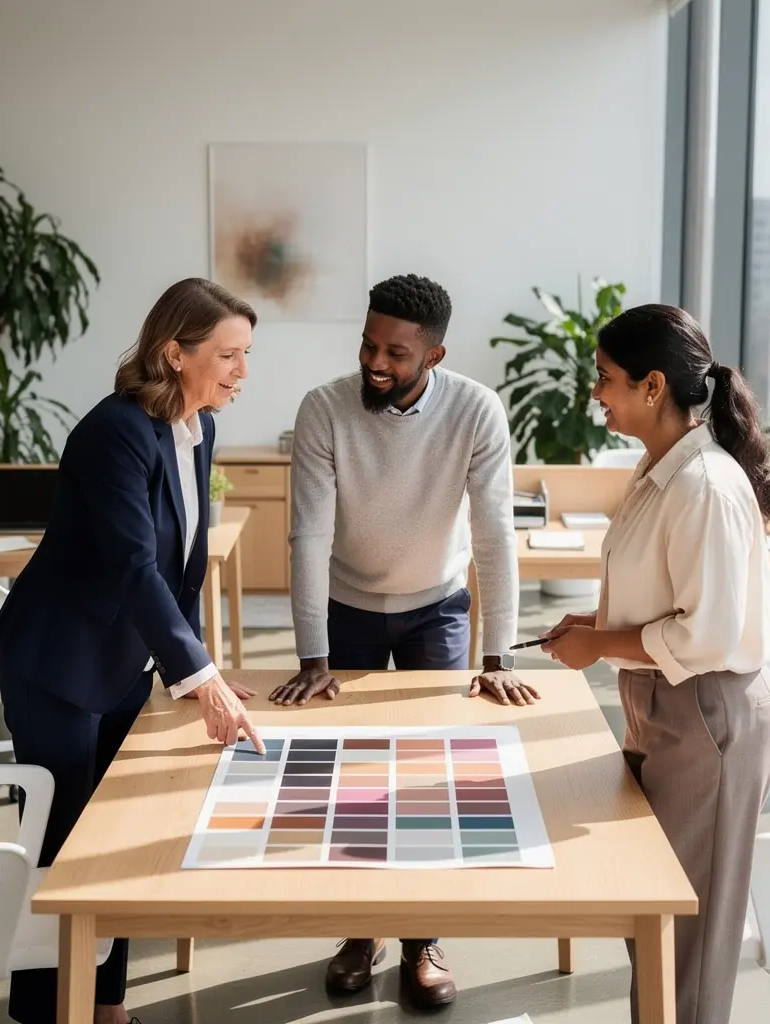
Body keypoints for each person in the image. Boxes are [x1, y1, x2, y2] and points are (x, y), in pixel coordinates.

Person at [0, 278, 265, 1024]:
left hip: (121, 665)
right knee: (63, 844)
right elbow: (131, 566)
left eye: (245, 355)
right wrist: (200, 680)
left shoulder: (198, 426)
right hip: (59, 664)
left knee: (114, 846)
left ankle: (104, 1005)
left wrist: (193, 662)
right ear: (174, 353)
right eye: (228, 355)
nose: (242, 371)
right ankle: (46, 1012)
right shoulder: (113, 431)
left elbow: (182, 563)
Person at [275, 273, 536, 1008]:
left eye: (395, 351)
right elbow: (308, 535)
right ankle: (363, 928)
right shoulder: (326, 408)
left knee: (430, 774)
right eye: (367, 344)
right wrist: (312, 656)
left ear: (436, 354)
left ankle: (423, 937)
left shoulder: (476, 411)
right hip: (347, 603)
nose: (375, 362)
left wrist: (497, 656)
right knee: (353, 775)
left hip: (435, 608)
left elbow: (493, 538)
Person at [539, 304, 770, 1024]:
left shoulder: (702, 484)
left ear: (653, 386)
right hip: (671, 708)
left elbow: (706, 634)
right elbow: (673, 599)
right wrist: (598, 624)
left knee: (691, 948)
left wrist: (599, 646)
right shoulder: (662, 469)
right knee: (660, 926)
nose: (594, 393)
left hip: (709, 715)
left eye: (605, 379)